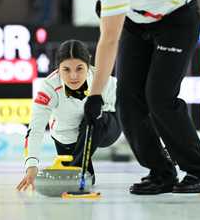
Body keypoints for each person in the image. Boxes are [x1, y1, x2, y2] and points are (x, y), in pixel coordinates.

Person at [44, 0, 200, 195]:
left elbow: (109, 41)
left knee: (159, 97)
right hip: (139, 19)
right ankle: (161, 172)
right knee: (127, 98)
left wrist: (95, 96)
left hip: (176, 18)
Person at [16, 39, 121, 191]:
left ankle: (76, 170)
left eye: (79, 69)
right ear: (58, 69)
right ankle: (81, 171)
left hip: (105, 127)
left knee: (93, 114)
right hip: (66, 136)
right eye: (66, 69)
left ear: (88, 66)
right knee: (87, 178)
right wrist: (31, 166)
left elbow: (133, 109)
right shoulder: (48, 87)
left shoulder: (103, 79)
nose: (73, 76)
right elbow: (35, 129)